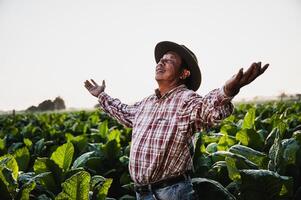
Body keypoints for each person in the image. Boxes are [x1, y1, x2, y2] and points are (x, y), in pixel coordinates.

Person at [84, 41, 269, 200]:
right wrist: (101, 95)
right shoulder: (147, 102)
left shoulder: (186, 100)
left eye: (169, 60)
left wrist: (227, 91)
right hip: (142, 193)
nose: (161, 62)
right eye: (160, 59)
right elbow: (123, 112)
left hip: (171, 193)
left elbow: (208, 109)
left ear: (184, 73)